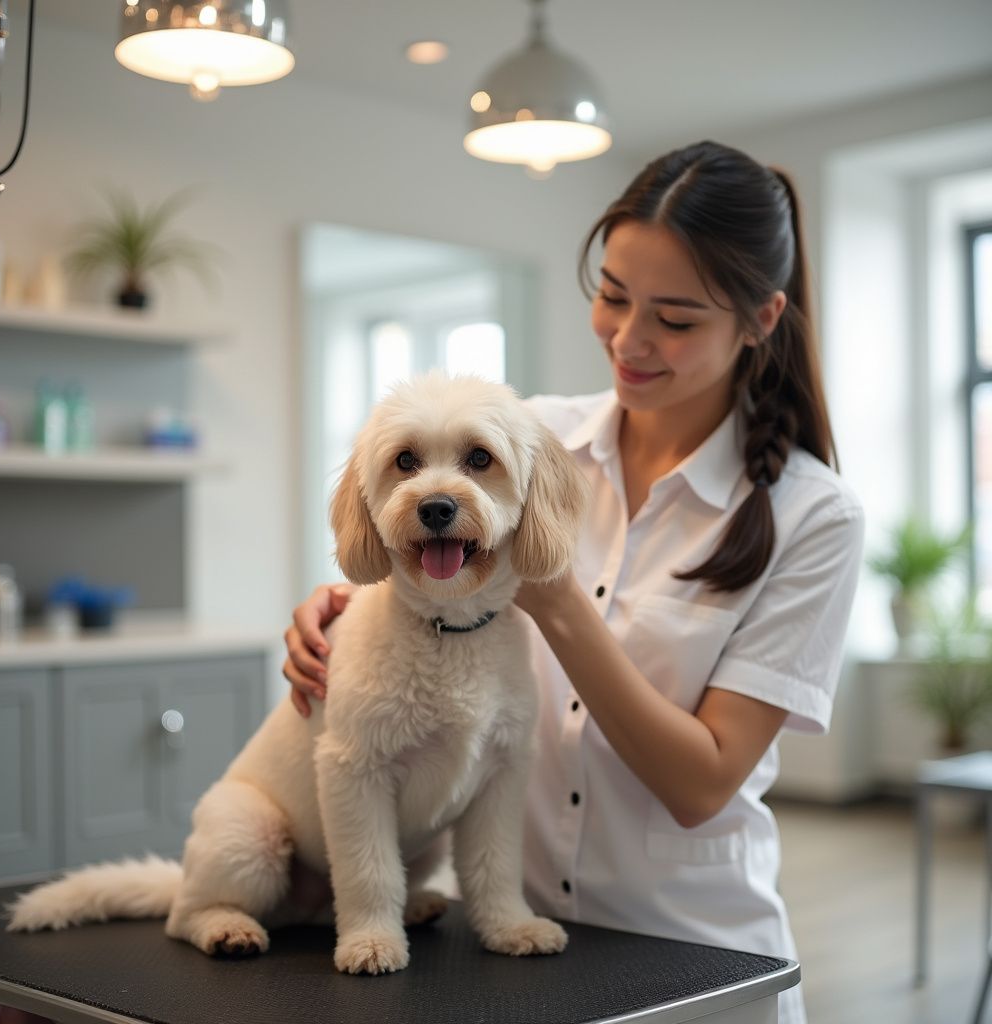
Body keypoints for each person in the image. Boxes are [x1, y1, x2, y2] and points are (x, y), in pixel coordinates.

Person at [283, 140, 864, 1024]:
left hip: (695, 953)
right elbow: (415, 552)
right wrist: (345, 613)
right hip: (514, 943)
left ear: (760, 317)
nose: (628, 341)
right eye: (613, 295)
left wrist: (553, 598)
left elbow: (704, 784)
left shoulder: (814, 516)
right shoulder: (525, 438)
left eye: (675, 318)